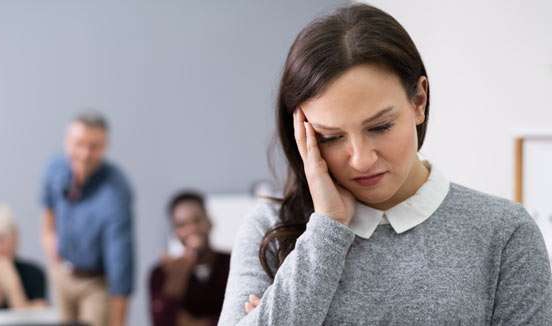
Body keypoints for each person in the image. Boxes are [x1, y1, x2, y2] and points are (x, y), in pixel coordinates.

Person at [218, 4, 552, 325]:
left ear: (418, 101)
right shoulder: (269, 230)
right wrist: (327, 230)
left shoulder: (504, 233)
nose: (361, 159)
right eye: (330, 137)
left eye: (380, 127)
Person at [40, 111, 134, 326]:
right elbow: (48, 223)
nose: (84, 153)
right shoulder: (54, 170)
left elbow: (121, 262)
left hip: (96, 284)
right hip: (62, 275)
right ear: (67, 142)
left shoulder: (116, 190)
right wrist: (55, 263)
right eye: (78, 144)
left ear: (105, 147)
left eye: (94, 146)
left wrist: (118, 320)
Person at [149, 190, 231, 326]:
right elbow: (162, 321)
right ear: (175, 232)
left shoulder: (233, 264)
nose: (192, 229)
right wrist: (179, 273)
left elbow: (242, 316)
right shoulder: (160, 273)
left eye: (197, 220)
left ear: (209, 222)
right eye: (182, 225)